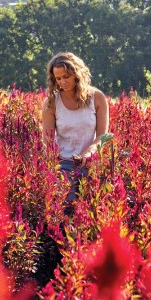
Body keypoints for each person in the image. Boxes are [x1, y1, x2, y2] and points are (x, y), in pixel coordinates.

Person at [40, 52, 110, 203]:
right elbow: (47, 141)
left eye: (66, 76)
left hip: (90, 162)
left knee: (93, 205)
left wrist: (89, 152)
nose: (62, 82)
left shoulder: (97, 98)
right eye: (58, 79)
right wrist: (52, 167)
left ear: (77, 74)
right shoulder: (51, 103)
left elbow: (102, 136)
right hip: (63, 163)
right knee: (68, 207)